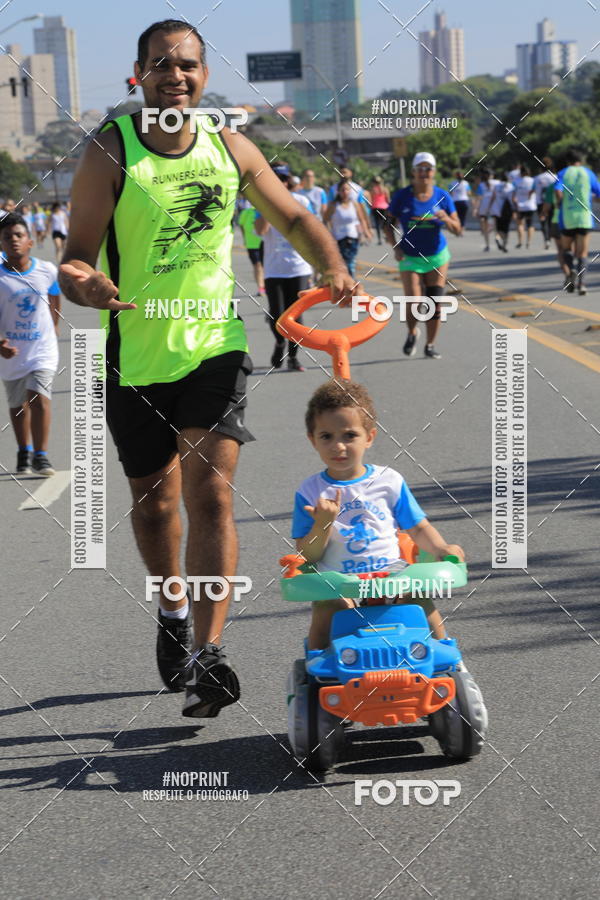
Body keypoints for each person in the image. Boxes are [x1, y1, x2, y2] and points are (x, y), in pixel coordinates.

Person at [58, 19, 358, 719]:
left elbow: (291, 216)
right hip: (134, 354)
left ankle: (208, 652)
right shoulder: (111, 150)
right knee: (155, 502)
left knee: (211, 497)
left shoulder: (230, 147)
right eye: (162, 64)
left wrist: (333, 265)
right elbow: (74, 256)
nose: (176, 75)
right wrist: (86, 284)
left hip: (214, 349)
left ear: (203, 75)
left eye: (188, 65)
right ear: (140, 74)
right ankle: (170, 608)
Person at [292, 379, 465, 650]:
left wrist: (441, 548)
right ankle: (316, 668)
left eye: (349, 435)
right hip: (339, 578)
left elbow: (418, 528)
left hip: (390, 571)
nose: (339, 446)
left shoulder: (389, 481)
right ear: (313, 440)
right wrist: (323, 524)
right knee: (329, 606)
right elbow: (307, 556)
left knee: (417, 596)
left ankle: (447, 657)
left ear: (369, 437)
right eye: (327, 436)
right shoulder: (310, 491)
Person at [385, 151, 462, 360]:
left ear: (434, 172)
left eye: (428, 169)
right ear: (413, 172)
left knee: (434, 302)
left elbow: (458, 229)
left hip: (437, 256)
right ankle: (412, 332)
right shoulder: (402, 196)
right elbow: (387, 223)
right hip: (410, 255)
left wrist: (446, 219)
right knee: (414, 301)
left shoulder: (442, 196)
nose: (424, 173)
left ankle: (430, 344)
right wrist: (395, 247)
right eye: (420, 169)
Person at [0, 214, 60, 477]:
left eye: (18, 235)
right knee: (16, 405)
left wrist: (54, 327)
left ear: (30, 241)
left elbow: (55, 295)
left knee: (38, 397)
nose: (13, 240)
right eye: (7, 237)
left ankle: (41, 455)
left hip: (42, 349)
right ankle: (23, 450)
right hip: (10, 350)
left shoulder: (46, 270)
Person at [255, 163, 315, 372]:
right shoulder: (262, 203)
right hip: (274, 269)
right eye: (275, 179)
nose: (279, 183)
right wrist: (269, 207)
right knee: (276, 314)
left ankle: (293, 357)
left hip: (299, 268)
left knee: (295, 316)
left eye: (282, 179)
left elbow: (312, 231)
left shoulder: (302, 201)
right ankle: (280, 342)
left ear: (287, 181)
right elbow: (260, 231)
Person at [555, 148, 600, 295]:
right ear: (580, 160)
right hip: (584, 217)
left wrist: (560, 202)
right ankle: (582, 284)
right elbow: (598, 193)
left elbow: (557, 190)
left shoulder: (563, 173)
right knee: (583, 252)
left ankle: (571, 270)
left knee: (566, 249)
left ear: (567, 161)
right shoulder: (588, 173)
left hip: (567, 217)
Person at [324, 179, 372, 279]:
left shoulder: (354, 204)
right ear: (338, 191)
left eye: (347, 190)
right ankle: (347, 282)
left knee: (350, 262)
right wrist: (329, 234)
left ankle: (351, 283)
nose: (345, 192)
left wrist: (365, 232)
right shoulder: (334, 205)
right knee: (343, 263)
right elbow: (326, 219)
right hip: (338, 238)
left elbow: (361, 219)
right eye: (342, 190)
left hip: (353, 237)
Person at [237, 197, 265, 296]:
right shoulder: (246, 213)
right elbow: (241, 225)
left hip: (264, 243)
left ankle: (266, 284)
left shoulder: (264, 212)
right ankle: (261, 287)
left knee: (264, 266)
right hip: (251, 244)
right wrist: (245, 238)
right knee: (257, 265)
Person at [512, 164, 537, 249]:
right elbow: (535, 191)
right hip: (530, 205)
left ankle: (520, 241)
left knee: (520, 224)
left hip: (520, 206)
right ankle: (529, 242)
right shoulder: (533, 180)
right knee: (530, 224)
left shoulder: (515, 181)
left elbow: (513, 194)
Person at [534, 157, 556, 249]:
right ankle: (549, 238)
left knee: (543, 222)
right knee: (551, 221)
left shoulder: (537, 178)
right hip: (552, 202)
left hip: (540, 202)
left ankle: (546, 239)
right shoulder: (555, 177)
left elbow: (534, 190)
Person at [489, 173, 514, 252]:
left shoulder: (496, 186)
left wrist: (489, 207)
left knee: (498, 229)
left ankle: (497, 238)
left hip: (497, 210)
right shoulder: (511, 186)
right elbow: (513, 199)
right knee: (506, 229)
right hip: (507, 211)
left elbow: (493, 197)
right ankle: (504, 244)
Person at [476, 169, 500, 252]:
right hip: (495, 207)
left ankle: (487, 245)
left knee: (485, 228)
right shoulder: (498, 183)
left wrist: (476, 209)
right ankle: (497, 237)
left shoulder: (481, 185)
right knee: (496, 226)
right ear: (492, 175)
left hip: (484, 208)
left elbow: (479, 198)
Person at [369, 176, 390, 244]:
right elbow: (388, 200)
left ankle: (379, 239)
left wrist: (370, 207)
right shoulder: (385, 189)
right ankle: (386, 236)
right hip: (384, 208)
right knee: (385, 223)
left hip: (375, 208)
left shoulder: (372, 190)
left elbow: (371, 200)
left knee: (377, 224)